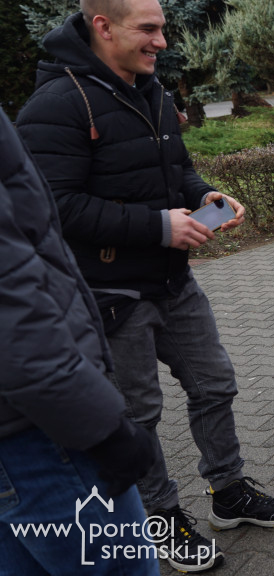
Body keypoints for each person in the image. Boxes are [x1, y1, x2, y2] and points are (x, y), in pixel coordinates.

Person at [15, 0, 274, 571]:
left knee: (215, 383)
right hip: (111, 295)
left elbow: (177, 169)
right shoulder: (54, 105)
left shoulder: (150, 88)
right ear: (102, 26)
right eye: (148, 30)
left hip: (173, 282)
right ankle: (158, 517)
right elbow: (54, 208)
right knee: (139, 413)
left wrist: (203, 197)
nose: (162, 42)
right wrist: (157, 226)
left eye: (162, 28)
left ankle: (228, 492)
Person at [0, 105, 158, 575]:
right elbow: (11, 313)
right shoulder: (64, 104)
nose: (162, 43)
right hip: (40, 435)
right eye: (148, 27)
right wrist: (102, 429)